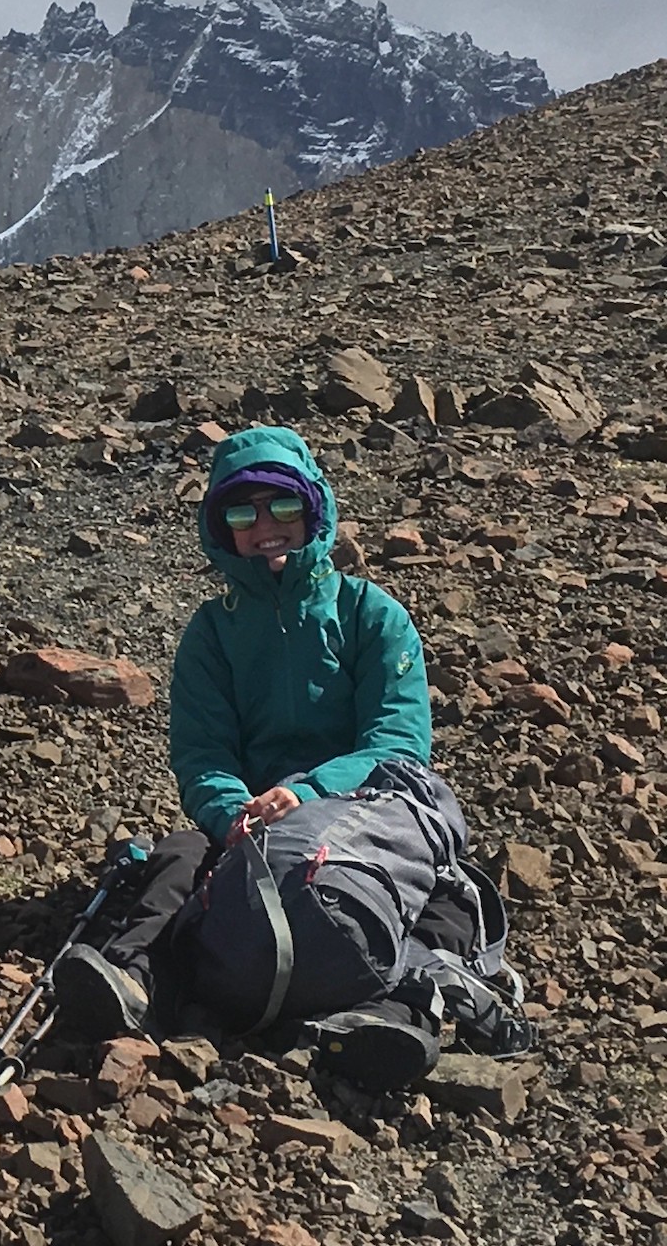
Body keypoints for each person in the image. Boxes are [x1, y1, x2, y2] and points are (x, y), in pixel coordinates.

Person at [48, 426, 512, 1085]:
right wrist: (233, 811)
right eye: (243, 512)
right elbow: (202, 753)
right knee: (180, 855)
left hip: (362, 817)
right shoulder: (212, 633)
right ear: (221, 528)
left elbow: (398, 745)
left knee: (447, 882)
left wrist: (311, 793)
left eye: (283, 507)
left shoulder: (372, 616)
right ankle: (135, 978)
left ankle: (400, 1015)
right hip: (253, 832)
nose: (265, 525)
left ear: (314, 509)